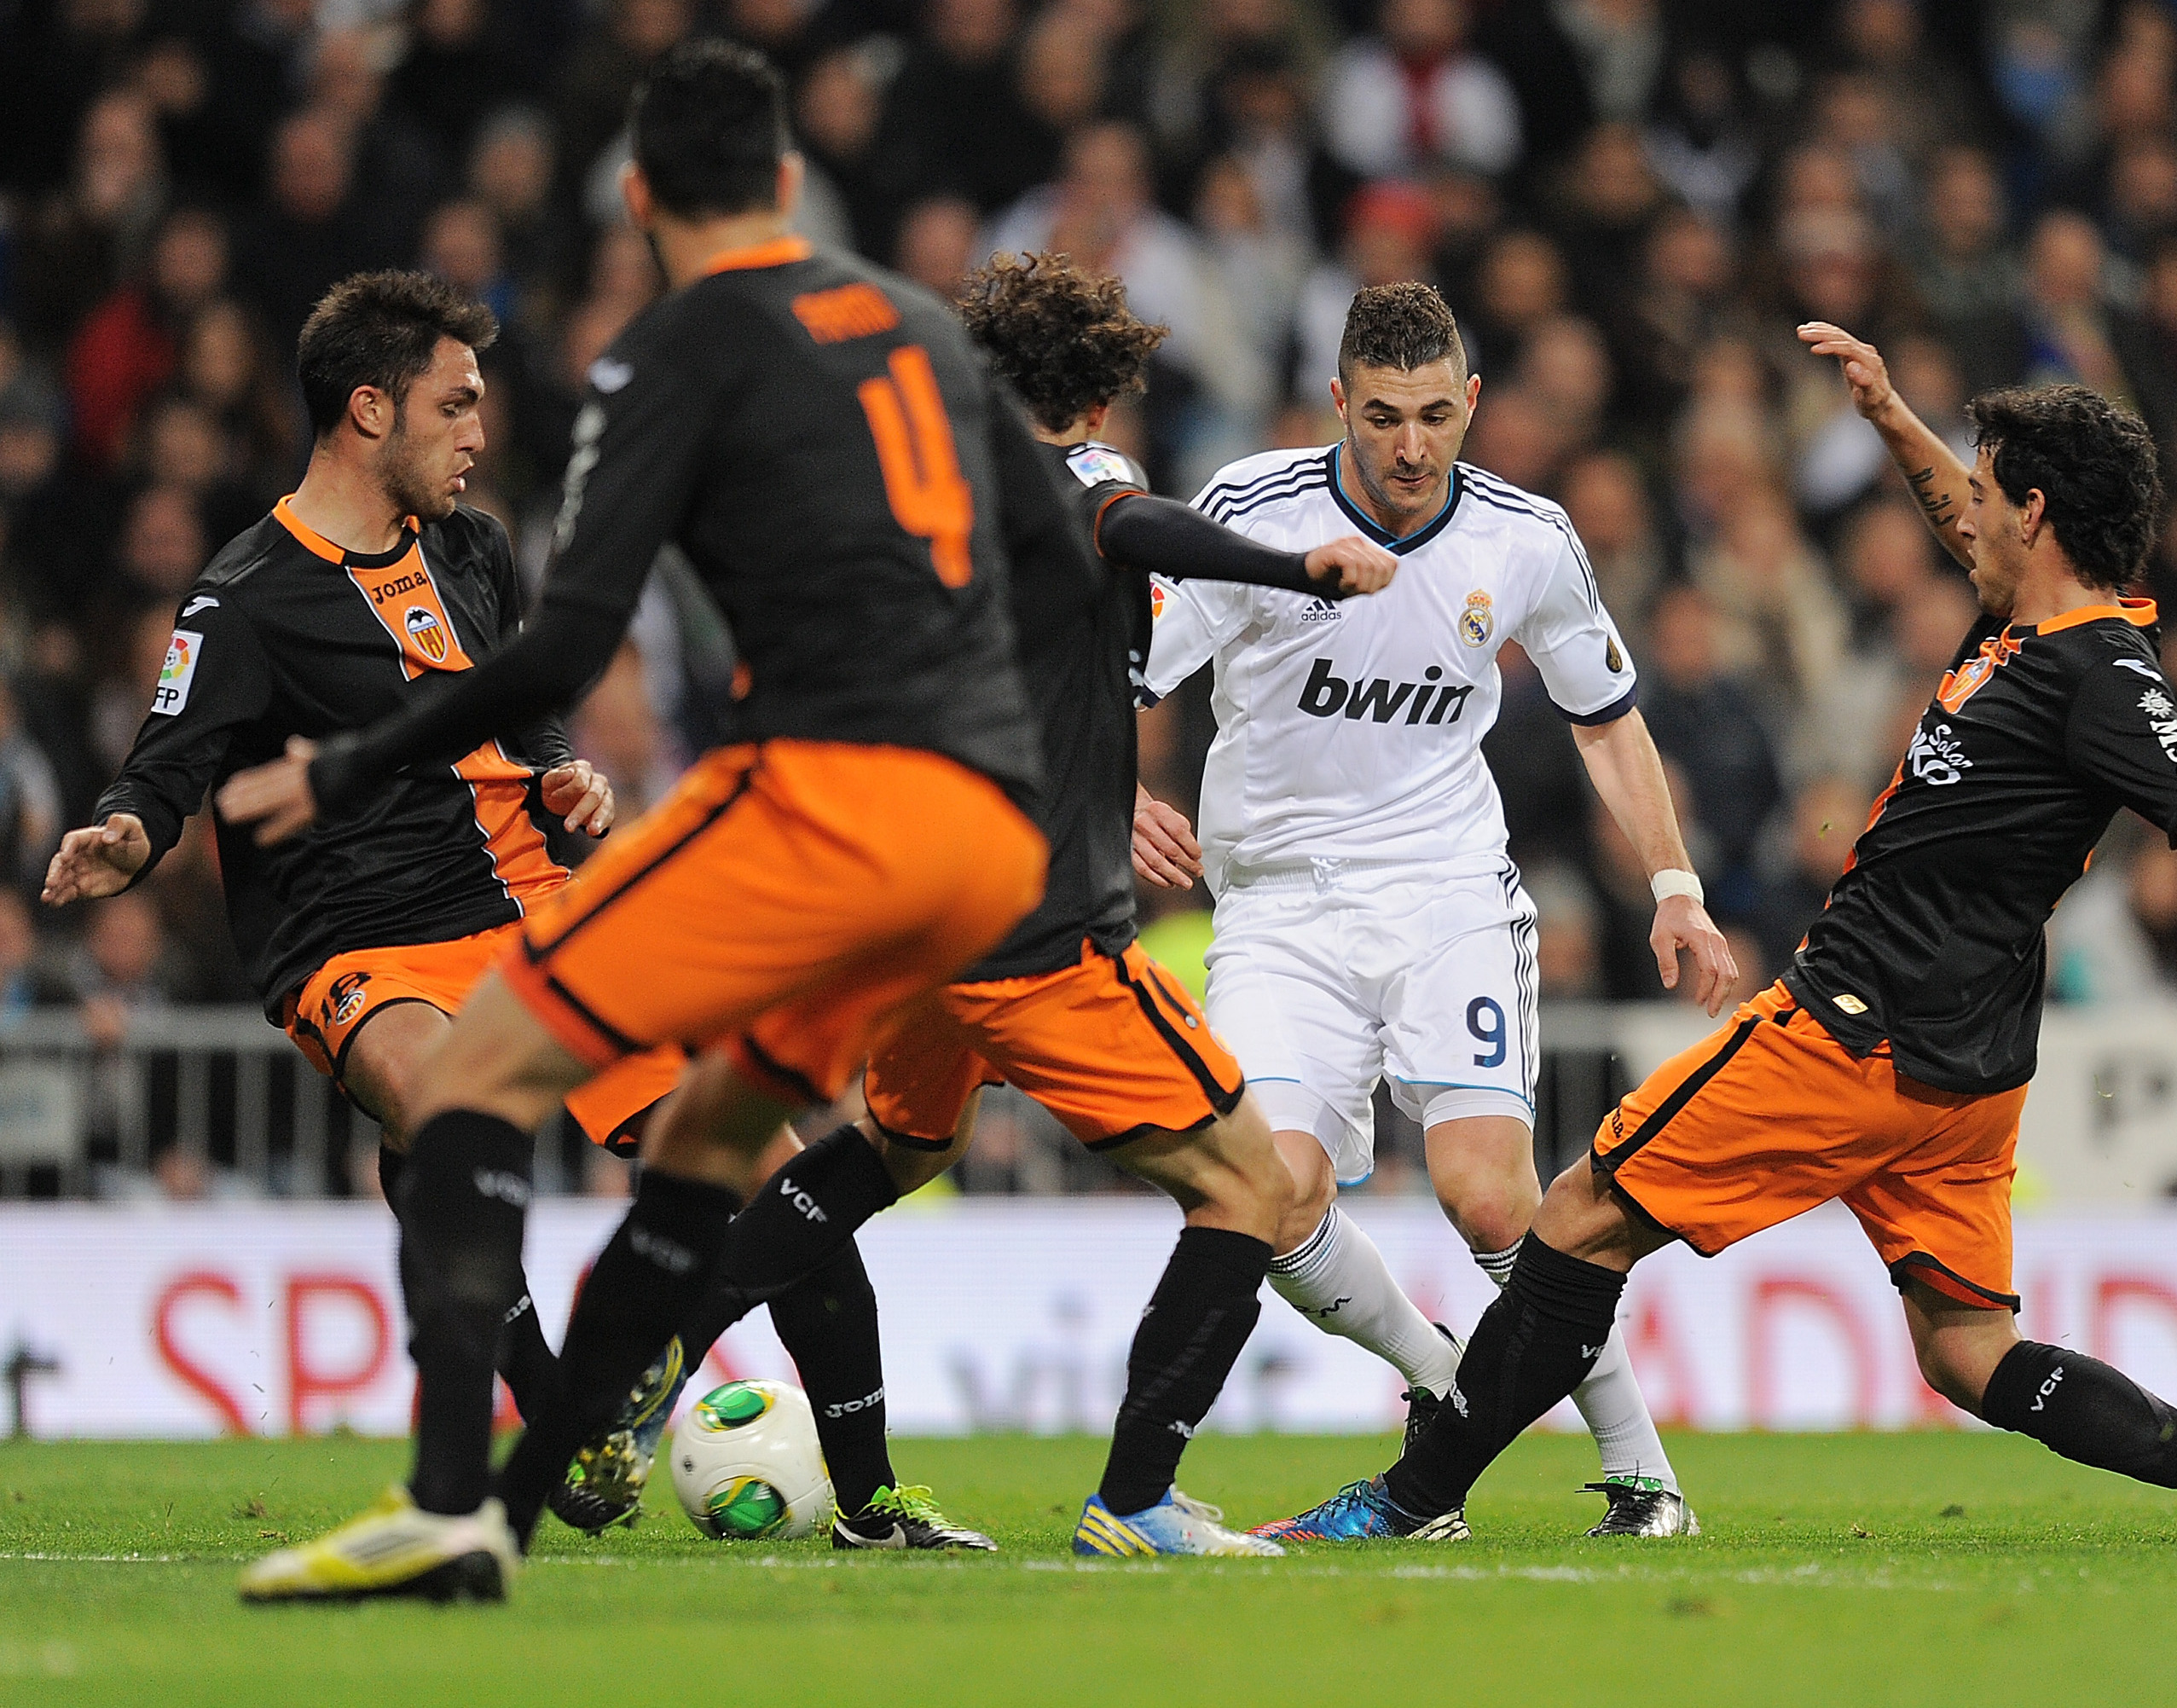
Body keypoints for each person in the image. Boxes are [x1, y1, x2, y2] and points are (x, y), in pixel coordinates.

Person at [1257, 322, 2177, 1546]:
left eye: (1989, 494)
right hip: (1969, 1073)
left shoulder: (2096, 673)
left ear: (2035, 514)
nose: (1967, 512)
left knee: (1576, 1219)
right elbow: (1961, 523)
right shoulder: (2037, 623)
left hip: (1853, 1028)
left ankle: (1414, 1501)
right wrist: (1889, 414)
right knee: (1969, 1351)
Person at [227, 42, 1057, 1603]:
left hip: (827, 805)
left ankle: (451, 1501)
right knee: (713, 1152)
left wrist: (341, 771)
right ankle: (532, 1500)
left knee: (469, 1073)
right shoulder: (915, 328)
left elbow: (555, 655)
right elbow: (1062, 561)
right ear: (793, 184)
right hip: (994, 832)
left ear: (638, 195)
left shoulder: (666, 352)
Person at [548, 251, 1400, 1558]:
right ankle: (1136, 1503)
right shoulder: (1086, 472)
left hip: (920, 921)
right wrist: (1303, 568)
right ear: (1100, 392)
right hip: (1041, 940)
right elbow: (1131, 523)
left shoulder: (933, 502)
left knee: (901, 1150)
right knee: (1252, 1189)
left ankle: (659, 1341)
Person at [1136, 281, 1736, 1539]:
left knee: (1490, 1198)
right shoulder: (1250, 512)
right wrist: (1114, 796)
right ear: (1338, 406)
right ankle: (1447, 1382)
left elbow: (1607, 717)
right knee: (1270, 1194)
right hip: (1281, 910)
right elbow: (1122, 663)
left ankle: (1645, 1474)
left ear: (1473, 405)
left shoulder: (1526, 538)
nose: (1411, 447)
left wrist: (1674, 887)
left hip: (1447, 889)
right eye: (1383, 417)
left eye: (1433, 416)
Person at [42, 269, 683, 1435]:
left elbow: (519, 693)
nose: (481, 434)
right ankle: (555, 1413)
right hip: (361, 943)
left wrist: (557, 767)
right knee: (453, 1113)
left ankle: (842, 1477)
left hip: (525, 904)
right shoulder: (240, 601)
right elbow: (166, 765)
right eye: (457, 405)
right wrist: (127, 831)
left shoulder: (475, 549)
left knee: (720, 1144)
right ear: (371, 412)